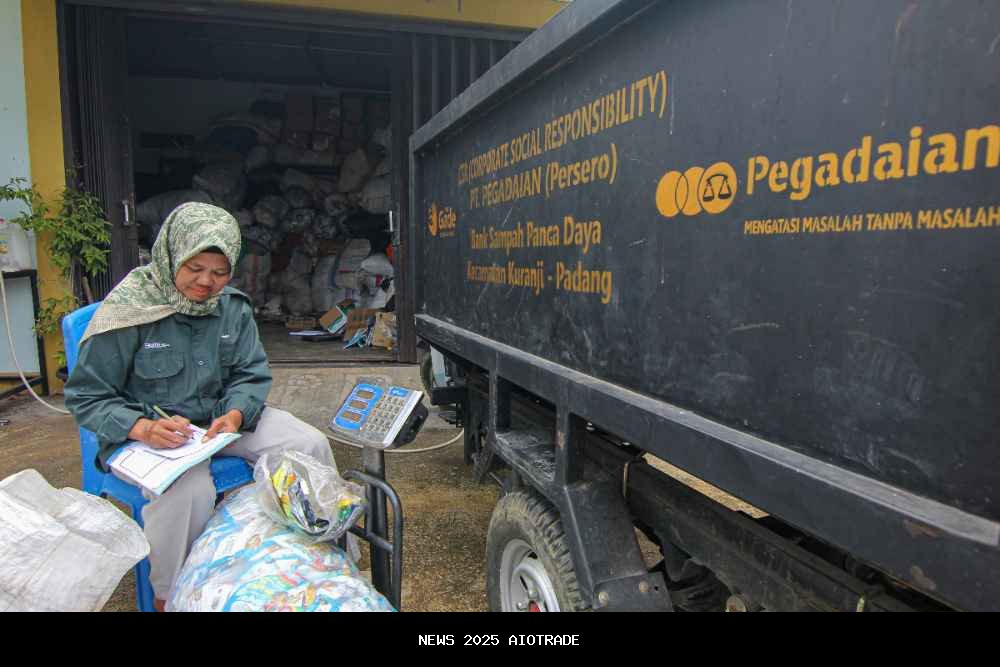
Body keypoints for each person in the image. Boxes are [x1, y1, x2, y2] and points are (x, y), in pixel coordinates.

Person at [65, 202, 337, 611]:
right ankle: (172, 596)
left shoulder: (233, 308)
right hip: (147, 435)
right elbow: (87, 396)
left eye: (220, 271)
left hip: (217, 424)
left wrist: (236, 413)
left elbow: (249, 372)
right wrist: (140, 427)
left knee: (308, 445)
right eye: (194, 268)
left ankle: (318, 559)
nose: (207, 282)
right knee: (187, 487)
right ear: (172, 254)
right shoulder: (131, 310)